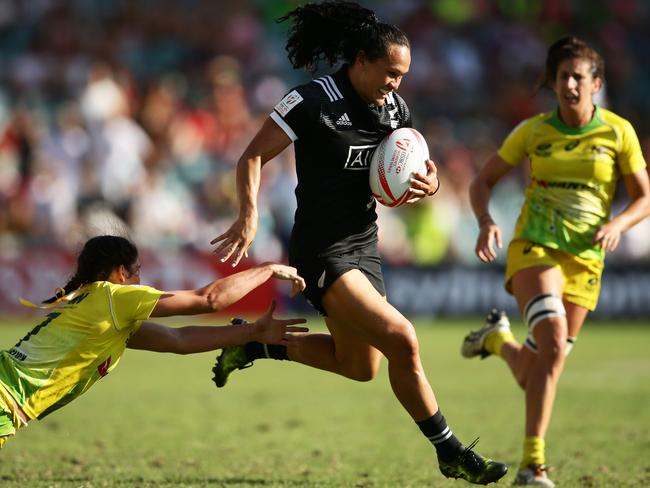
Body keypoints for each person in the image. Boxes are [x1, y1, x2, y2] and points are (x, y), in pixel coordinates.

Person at [210, 1, 507, 484]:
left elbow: (414, 173)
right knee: (403, 339)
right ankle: (450, 450)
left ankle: (256, 343)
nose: (397, 84)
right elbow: (251, 156)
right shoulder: (311, 101)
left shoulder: (394, 109)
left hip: (363, 246)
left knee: (360, 366)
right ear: (361, 60)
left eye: (403, 76)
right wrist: (248, 215)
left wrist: (427, 185)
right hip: (320, 249)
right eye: (390, 72)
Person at [462, 36, 650, 487]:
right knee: (552, 342)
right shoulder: (533, 132)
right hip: (535, 248)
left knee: (540, 369)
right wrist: (486, 221)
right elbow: (481, 181)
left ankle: (495, 342)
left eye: (578, 77)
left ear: (596, 83)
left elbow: (644, 197)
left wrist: (620, 224)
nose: (569, 84)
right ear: (552, 82)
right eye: (562, 76)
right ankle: (533, 465)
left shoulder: (618, 132)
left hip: (587, 261)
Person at [0, 235, 308, 449]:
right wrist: (266, 269)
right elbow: (209, 299)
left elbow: (178, 338)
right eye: (137, 273)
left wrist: (251, 333)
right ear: (122, 272)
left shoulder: (97, 309)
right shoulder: (115, 298)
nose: (139, 281)